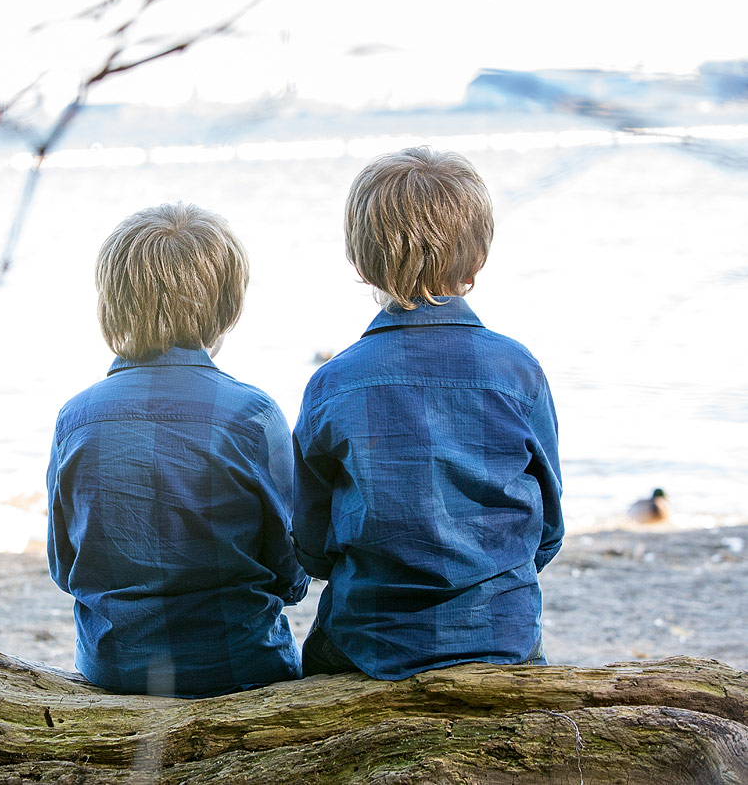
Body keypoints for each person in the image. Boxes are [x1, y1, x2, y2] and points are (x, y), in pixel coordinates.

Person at [293, 147, 564, 680]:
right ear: (479, 257)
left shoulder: (334, 383)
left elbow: (311, 543)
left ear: (358, 260)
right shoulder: (516, 370)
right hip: (501, 637)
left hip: (369, 644)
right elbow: (548, 528)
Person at [47, 202, 309, 697]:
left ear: (112, 301)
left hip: (115, 668)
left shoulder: (76, 418)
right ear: (227, 305)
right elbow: (292, 577)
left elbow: (64, 568)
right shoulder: (253, 416)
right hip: (241, 665)